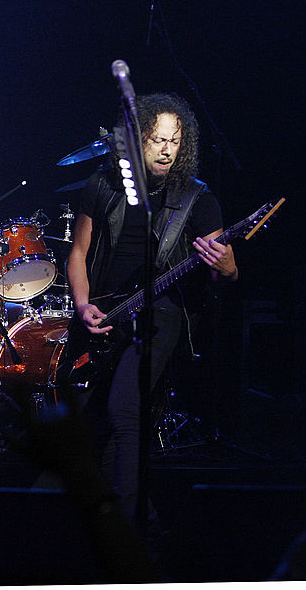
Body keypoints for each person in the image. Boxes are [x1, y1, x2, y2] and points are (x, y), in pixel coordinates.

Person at [61, 93, 237, 527]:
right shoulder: (102, 185)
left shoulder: (197, 199)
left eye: (174, 142)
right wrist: (83, 306)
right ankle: (120, 515)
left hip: (161, 316)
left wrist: (226, 266)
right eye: (157, 139)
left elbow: (225, 274)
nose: (165, 149)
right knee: (88, 421)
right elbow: (78, 253)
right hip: (105, 313)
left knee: (125, 410)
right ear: (138, 139)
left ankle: (128, 522)